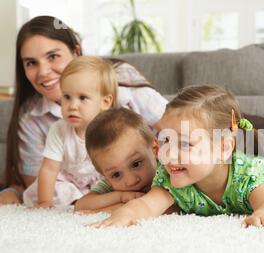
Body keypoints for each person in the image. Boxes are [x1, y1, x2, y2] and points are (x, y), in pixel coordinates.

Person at [0, 15, 167, 205]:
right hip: (84, 196)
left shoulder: (120, 82)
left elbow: (174, 127)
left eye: (53, 56)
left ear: (76, 50)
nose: (43, 71)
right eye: (31, 62)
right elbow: (41, 181)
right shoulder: (33, 118)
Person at [90, 85, 264, 229]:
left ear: (223, 148)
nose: (168, 154)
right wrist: (127, 212)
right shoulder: (171, 178)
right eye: (166, 140)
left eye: (184, 144)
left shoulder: (249, 172)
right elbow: (147, 204)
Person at [23, 56, 116, 207]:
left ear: (104, 102)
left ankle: (91, 201)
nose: (72, 106)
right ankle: (78, 202)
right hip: (68, 182)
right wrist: (44, 202)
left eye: (82, 98)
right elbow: (49, 169)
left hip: (98, 183)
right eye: (66, 97)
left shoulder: (111, 131)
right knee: (57, 188)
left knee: (113, 186)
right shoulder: (59, 130)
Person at [74, 108, 158, 212]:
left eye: (136, 164)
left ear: (155, 150)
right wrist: (120, 197)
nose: (131, 181)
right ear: (105, 176)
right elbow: (80, 206)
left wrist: (115, 208)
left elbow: (173, 205)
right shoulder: (110, 184)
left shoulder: (169, 171)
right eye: (116, 174)